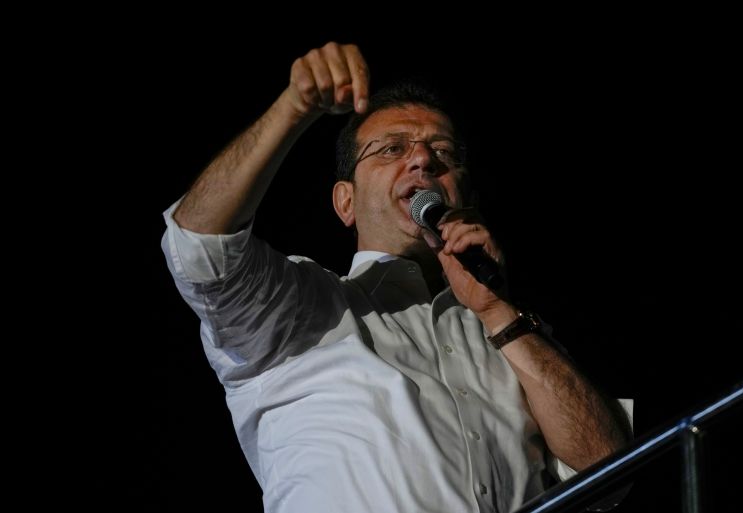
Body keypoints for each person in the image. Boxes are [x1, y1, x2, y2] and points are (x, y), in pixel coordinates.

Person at [161, 42, 632, 513]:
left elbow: (610, 474)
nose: (424, 160)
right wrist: (294, 109)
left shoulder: (517, 334)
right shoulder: (300, 306)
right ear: (345, 202)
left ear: (465, 195)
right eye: (392, 149)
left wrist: (497, 312)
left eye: (443, 151)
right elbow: (198, 247)